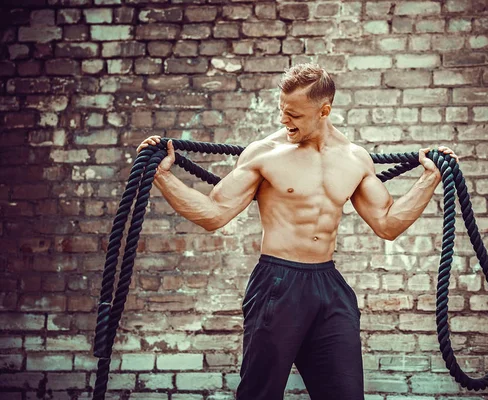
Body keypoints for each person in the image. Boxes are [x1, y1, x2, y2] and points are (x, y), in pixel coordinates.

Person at [136, 63, 459, 400]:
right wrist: (162, 176)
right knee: (259, 395)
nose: (283, 120)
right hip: (278, 283)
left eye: (294, 115)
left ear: (324, 110)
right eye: (282, 111)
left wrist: (430, 178)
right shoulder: (265, 154)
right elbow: (214, 214)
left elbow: (388, 224)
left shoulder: (355, 158)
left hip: (329, 287)